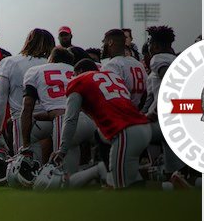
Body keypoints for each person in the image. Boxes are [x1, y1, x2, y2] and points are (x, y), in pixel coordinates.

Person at [50, 59, 151, 189]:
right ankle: (170, 186)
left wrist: (62, 150)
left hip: (124, 131)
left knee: (123, 188)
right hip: (141, 127)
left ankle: (101, 171)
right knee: (127, 180)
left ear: (79, 72)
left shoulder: (79, 81)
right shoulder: (112, 76)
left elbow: (70, 119)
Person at [21, 47, 92, 171]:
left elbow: (27, 106)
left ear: (52, 58)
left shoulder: (35, 71)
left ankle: (35, 168)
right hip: (91, 119)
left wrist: (25, 144)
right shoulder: (76, 71)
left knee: (62, 175)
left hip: (65, 121)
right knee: (78, 164)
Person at [0, 28, 55, 155]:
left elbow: (0, 99)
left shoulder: (10, 62)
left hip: (23, 119)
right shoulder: (53, 65)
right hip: (52, 119)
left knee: (23, 164)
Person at [100, 29, 148, 110]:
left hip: (122, 113)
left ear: (110, 42)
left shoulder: (112, 65)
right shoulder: (138, 64)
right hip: (138, 111)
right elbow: (146, 92)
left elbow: (112, 96)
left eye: (104, 42)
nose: (103, 46)